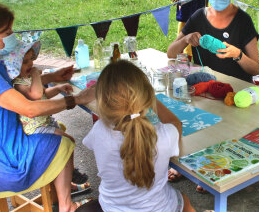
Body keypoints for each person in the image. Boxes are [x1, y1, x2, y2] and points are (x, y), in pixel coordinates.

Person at [0, 1, 95, 212]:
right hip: (2, 163)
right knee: (64, 143)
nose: (12, 36)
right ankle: (66, 205)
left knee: (56, 131)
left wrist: (52, 76)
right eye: (6, 32)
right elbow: (30, 109)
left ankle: (60, 189)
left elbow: (14, 86)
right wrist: (77, 99)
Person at [80, 60, 195, 212]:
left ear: (102, 103)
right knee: (184, 200)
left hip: (111, 208)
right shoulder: (162, 136)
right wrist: (152, 98)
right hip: (159, 209)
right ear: (146, 98)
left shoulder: (99, 130)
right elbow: (176, 124)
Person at [0, 40, 91, 194]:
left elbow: (44, 93)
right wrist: (35, 74)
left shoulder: (28, 79)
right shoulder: (18, 83)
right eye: (25, 62)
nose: (30, 64)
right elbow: (35, 95)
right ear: (13, 65)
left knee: (68, 141)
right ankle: (70, 176)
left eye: (31, 61)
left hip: (46, 121)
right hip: (35, 127)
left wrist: (58, 88)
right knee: (68, 141)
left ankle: (68, 179)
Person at [168, 0, 259, 82]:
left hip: (235, 89)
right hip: (205, 85)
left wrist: (238, 54)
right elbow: (171, 53)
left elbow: (255, 69)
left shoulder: (243, 21)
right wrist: (186, 39)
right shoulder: (199, 17)